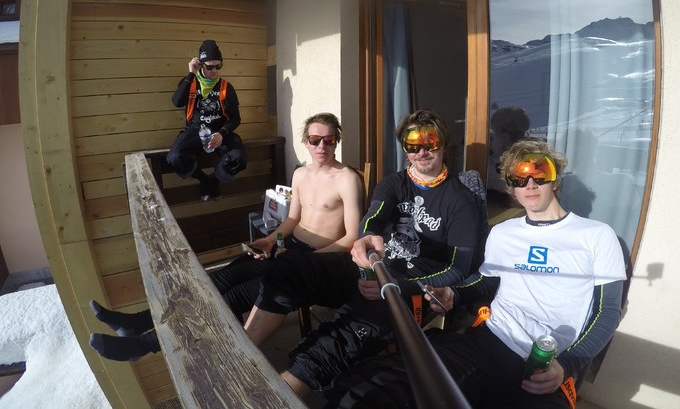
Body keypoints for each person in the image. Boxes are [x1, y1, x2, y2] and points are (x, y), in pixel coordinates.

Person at [325, 137, 627, 409]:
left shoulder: (597, 235)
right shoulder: (504, 232)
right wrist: (454, 293)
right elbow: (486, 280)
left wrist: (568, 365)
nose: (530, 184)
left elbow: (608, 311)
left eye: (540, 173)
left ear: (555, 178)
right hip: (489, 341)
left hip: (547, 363)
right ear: (510, 186)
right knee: (373, 388)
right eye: (519, 177)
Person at [242, 109, 480, 399]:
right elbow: (372, 220)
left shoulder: (461, 200)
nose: (421, 152)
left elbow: (459, 269)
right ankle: (241, 350)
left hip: (409, 289)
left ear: (443, 143)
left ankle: (265, 400)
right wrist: (365, 240)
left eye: (430, 142)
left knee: (335, 342)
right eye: (412, 144)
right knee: (292, 265)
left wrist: (397, 286)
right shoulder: (394, 183)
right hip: (370, 270)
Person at [89, 113, 363, 361]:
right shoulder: (301, 174)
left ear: (336, 142)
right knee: (216, 280)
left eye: (329, 140)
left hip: (315, 262)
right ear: (306, 142)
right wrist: (271, 241)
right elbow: (292, 220)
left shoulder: (346, 179)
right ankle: (138, 322)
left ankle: (146, 344)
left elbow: (351, 237)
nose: (322, 146)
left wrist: (302, 258)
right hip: (287, 249)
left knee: (232, 297)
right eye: (315, 140)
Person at [166, 39, 247, 201]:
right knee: (175, 157)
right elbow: (177, 102)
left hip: (220, 131)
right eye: (210, 67)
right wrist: (191, 74)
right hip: (196, 131)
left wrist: (222, 133)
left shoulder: (226, 87)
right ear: (200, 65)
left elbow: (235, 118)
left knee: (239, 158)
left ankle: (214, 180)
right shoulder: (190, 82)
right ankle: (204, 180)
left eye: (218, 66)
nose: (214, 70)